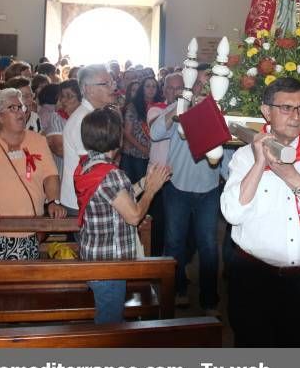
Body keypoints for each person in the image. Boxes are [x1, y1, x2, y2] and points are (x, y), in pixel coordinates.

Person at [221, 77, 300, 347]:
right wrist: (259, 162)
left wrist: (292, 176)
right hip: (253, 277)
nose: (296, 116)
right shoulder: (244, 157)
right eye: (286, 108)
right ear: (267, 112)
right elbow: (232, 214)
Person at [75, 108, 171, 323]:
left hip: (95, 256)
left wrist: (146, 181)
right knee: (109, 325)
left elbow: (117, 199)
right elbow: (134, 216)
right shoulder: (111, 175)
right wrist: (152, 190)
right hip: (109, 265)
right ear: (117, 137)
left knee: (107, 316)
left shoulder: (88, 165)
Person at [150, 68, 222, 313]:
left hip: (209, 189)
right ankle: (177, 290)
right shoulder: (179, 108)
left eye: (206, 84)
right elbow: (156, 132)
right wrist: (179, 108)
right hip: (177, 186)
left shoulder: (218, 110)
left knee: (209, 246)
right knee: (174, 242)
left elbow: (228, 152)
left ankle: (209, 299)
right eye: (198, 83)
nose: (202, 88)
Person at [0, 89, 64, 260]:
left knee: (27, 283)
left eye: (22, 107)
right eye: (13, 108)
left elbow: (50, 175)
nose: (21, 112)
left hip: (31, 229)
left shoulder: (38, 140)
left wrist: (54, 200)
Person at [60, 65, 118, 212]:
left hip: (92, 194)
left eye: (113, 82)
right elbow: (90, 165)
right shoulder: (83, 119)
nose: (113, 88)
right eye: (106, 84)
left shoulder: (94, 115)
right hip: (81, 201)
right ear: (88, 89)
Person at [144, 72, 184, 256]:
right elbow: (156, 128)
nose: (174, 92)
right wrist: (180, 105)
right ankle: (155, 266)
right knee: (157, 225)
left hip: (178, 176)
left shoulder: (188, 112)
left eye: (178, 88)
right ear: (164, 90)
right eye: (170, 88)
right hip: (158, 176)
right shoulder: (156, 109)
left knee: (176, 229)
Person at [121, 77, 162, 184]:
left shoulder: (161, 106)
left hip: (155, 154)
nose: (151, 89)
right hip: (137, 154)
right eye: (147, 86)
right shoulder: (133, 106)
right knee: (141, 187)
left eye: (154, 86)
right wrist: (143, 149)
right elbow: (127, 133)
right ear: (142, 89)